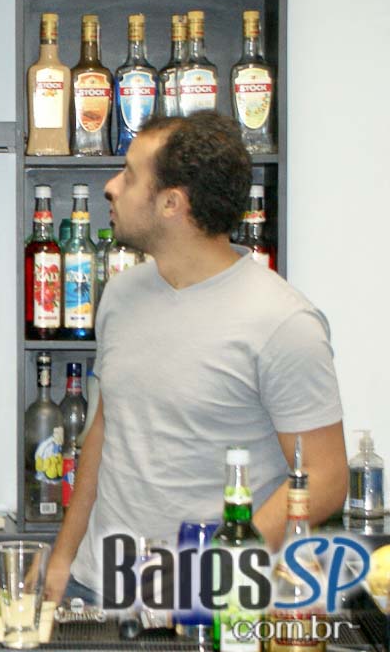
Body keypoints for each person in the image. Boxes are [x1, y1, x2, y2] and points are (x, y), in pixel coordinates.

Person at [46, 112, 347, 604]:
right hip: (97, 587)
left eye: (129, 175)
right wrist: (63, 557)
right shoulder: (120, 295)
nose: (110, 187)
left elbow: (327, 478)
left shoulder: (283, 322)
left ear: (172, 203)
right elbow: (104, 430)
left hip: (207, 606)